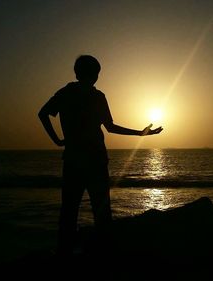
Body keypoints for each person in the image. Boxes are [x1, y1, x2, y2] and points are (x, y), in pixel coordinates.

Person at [38, 55, 163, 255]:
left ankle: (65, 253)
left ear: (77, 72)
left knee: (69, 211)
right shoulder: (97, 97)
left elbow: (42, 113)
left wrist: (58, 140)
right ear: (95, 75)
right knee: (101, 210)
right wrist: (141, 133)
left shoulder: (65, 93)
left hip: (73, 160)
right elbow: (111, 127)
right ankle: (103, 254)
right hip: (95, 160)